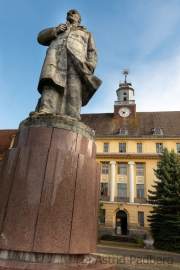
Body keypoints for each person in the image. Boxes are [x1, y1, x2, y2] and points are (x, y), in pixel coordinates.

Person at [30, 9, 102, 120]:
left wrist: (90, 65)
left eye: (74, 13)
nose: (70, 14)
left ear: (79, 19)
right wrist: (56, 30)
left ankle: (72, 116)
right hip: (55, 59)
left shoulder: (86, 34)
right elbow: (40, 38)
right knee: (51, 83)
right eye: (68, 13)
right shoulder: (60, 29)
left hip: (77, 62)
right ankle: (46, 109)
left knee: (74, 88)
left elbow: (92, 51)